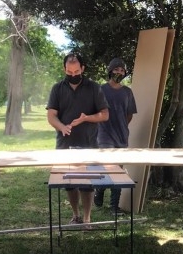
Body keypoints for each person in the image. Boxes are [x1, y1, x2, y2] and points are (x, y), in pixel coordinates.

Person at [46, 53, 109, 224]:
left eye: (76, 71)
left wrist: (86, 118)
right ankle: (75, 215)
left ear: (82, 68)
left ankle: (87, 217)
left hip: (88, 144)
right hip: (64, 145)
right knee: (69, 182)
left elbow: (104, 115)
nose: (73, 75)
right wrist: (62, 127)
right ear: (64, 69)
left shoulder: (94, 88)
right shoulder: (57, 88)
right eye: (69, 71)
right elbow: (51, 115)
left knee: (87, 184)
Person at [94, 58, 137, 215]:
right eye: (116, 69)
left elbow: (130, 114)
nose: (119, 72)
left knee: (118, 170)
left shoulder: (127, 92)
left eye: (122, 70)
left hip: (121, 136)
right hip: (104, 135)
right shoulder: (101, 90)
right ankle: (105, 198)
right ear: (110, 71)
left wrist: (122, 126)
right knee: (110, 168)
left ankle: (108, 200)